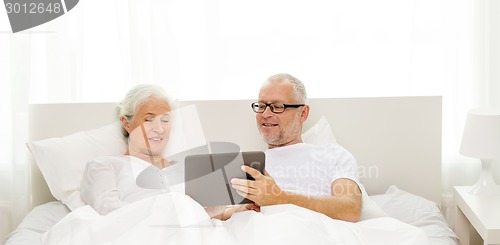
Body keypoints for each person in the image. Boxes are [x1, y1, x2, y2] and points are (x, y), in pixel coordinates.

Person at [80, 84, 246, 219]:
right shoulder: (105, 166)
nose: (159, 129)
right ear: (126, 123)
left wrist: (237, 209)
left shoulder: (187, 169)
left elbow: (208, 218)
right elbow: (109, 214)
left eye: (165, 120)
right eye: (149, 120)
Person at [230, 73, 362, 222]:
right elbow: (219, 216)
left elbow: (350, 209)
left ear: (303, 113)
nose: (265, 114)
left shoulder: (333, 155)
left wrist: (280, 198)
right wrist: (236, 211)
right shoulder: (247, 166)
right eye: (261, 106)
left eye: (277, 107)